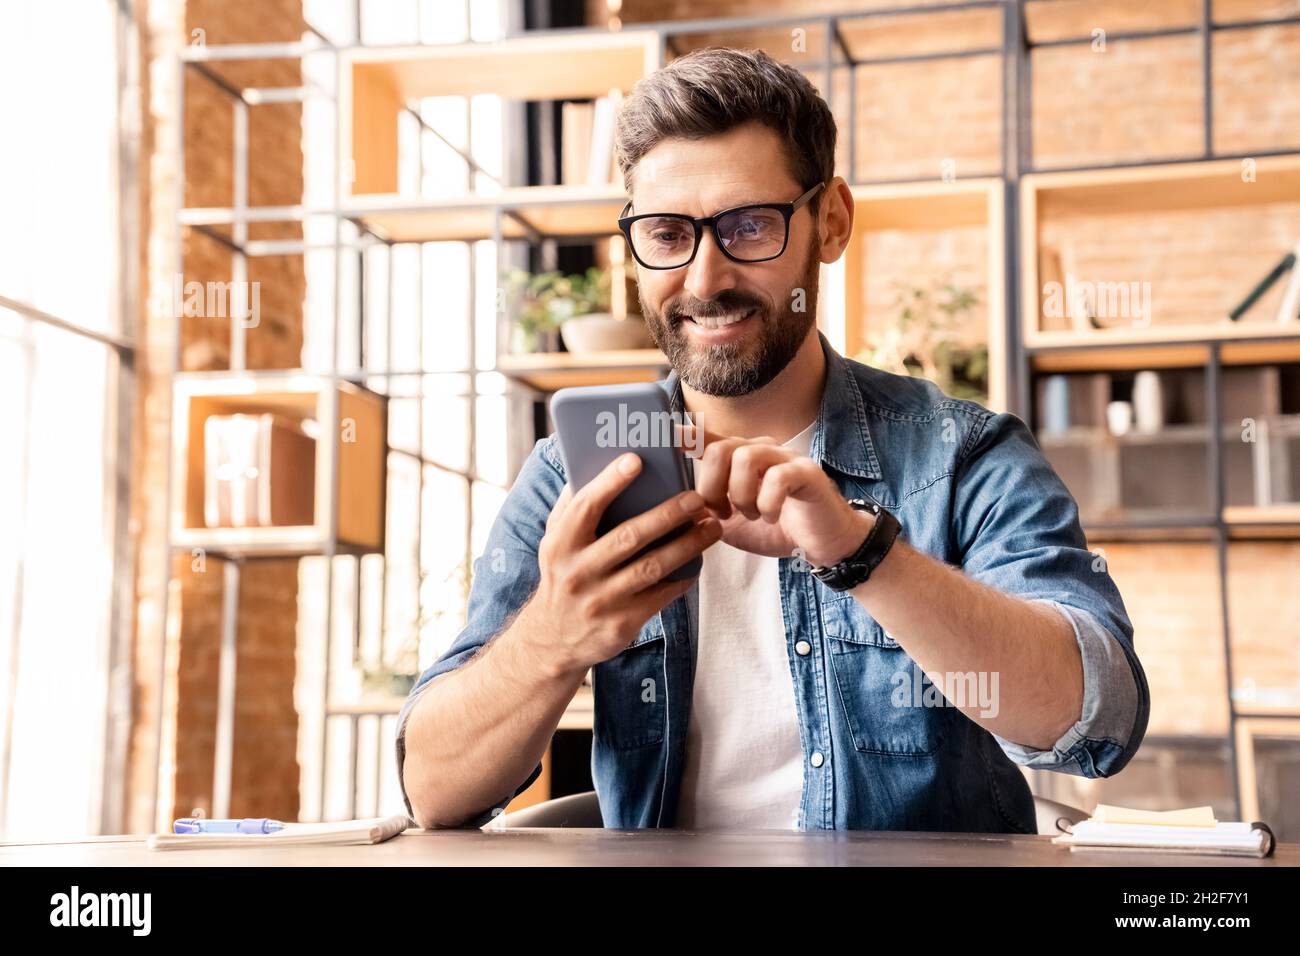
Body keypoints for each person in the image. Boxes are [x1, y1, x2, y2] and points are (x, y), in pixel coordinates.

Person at [396, 47, 1148, 832]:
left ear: (831, 223)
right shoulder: (572, 477)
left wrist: (866, 556)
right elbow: (434, 791)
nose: (703, 278)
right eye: (666, 233)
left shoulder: (963, 459)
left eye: (749, 225)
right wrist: (552, 636)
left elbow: (1099, 720)